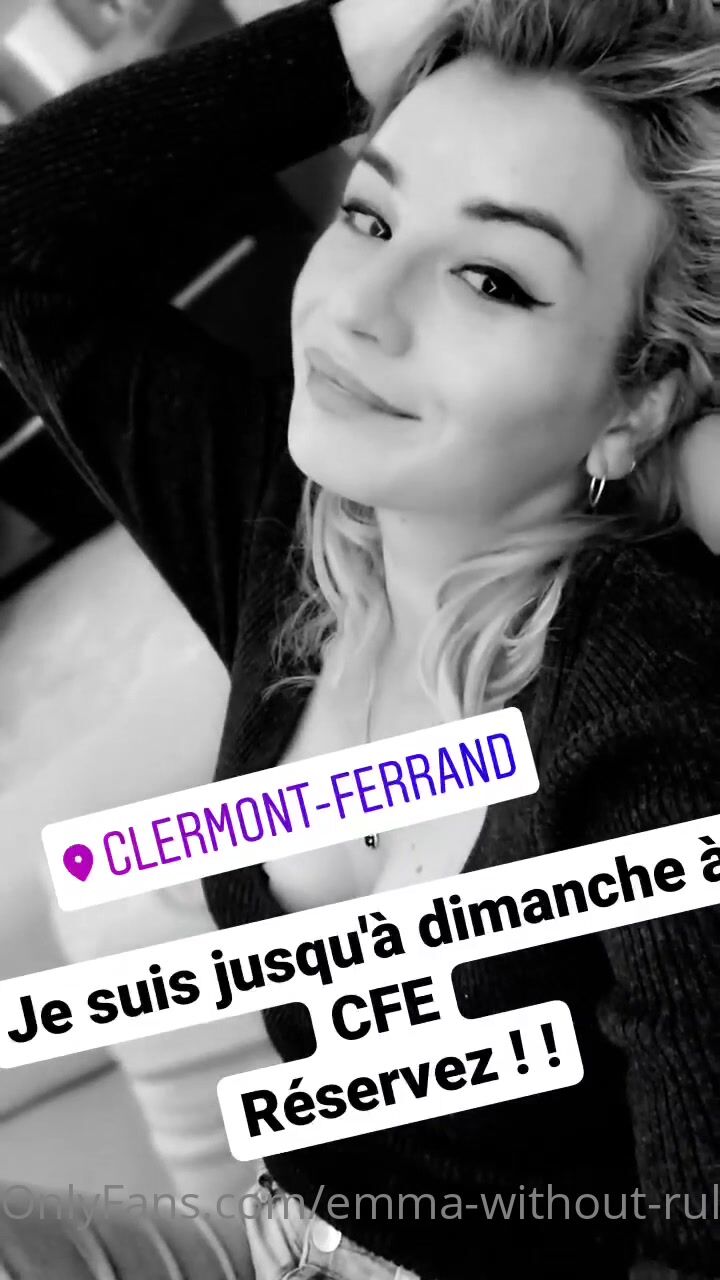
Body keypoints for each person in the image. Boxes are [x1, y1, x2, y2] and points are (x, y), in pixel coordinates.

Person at [0, 0, 718, 1277]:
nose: (356, 310)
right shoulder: (295, 536)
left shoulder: (657, 711)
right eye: (371, 216)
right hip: (288, 1229)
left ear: (640, 396)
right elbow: (21, 243)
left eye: (492, 278)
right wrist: (334, 52)